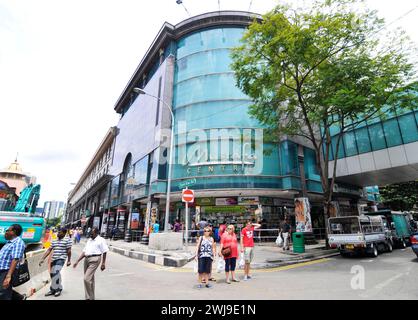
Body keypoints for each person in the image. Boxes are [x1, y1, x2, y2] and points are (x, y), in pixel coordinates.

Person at [73, 227, 109, 300]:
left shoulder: (101, 240)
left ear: (96, 233)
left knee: (86, 279)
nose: (90, 235)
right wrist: (77, 261)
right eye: (90, 234)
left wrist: (103, 263)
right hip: (86, 259)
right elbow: (84, 251)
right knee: (90, 279)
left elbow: (105, 251)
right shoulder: (89, 240)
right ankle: (91, 297)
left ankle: (89, 297)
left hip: (95, 259)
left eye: (92, 234)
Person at [39, 227, 72, 297]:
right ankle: (54, 289)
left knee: (55, 272)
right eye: (58, 232)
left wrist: (69, 260)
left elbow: (69, 251)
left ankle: (57, 290)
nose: (58, 233)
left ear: (64, 233)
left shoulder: (67, 240)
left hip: (61, 259)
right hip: (54, 259)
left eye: (60, 232)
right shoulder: (54, 240)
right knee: (52, 274)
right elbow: (49, 250)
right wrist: (42, 258)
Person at [0, 224, 27, 300]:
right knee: (4, 290)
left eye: (7, 230)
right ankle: (21, 298)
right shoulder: (9, 242)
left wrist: (8, 276)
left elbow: (15, 259)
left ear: (14, 232)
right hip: (2, 271)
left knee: (3, 294)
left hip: (6, 271)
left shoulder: (18, 242)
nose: (6, 232)